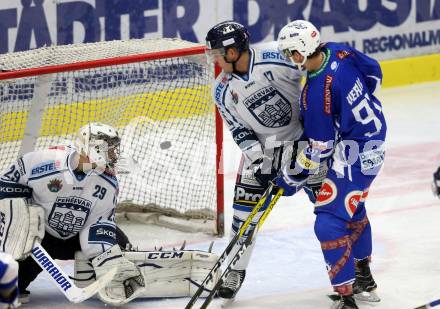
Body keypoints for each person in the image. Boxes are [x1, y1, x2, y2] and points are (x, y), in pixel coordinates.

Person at [205, 21, 325, 300]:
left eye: (217, 53)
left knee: (330, 207)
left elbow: (314, 78)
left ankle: (356, 269)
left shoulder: (278, 57)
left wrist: (317, 134)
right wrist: (259, 162)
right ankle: (235, 270)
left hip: (305, 143)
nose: (215, 59)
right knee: (243, 220)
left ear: (233, 52)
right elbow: (239, 128)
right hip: (264, 151)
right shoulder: (221, 89)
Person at [275, 20, 387, 309]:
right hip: (375, 140)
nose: (290, 59)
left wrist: (291, 179)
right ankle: (363, 277)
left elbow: (320, 149)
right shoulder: (339, 51)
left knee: (329, 221)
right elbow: (374, 71)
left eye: (291, 53)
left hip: (355, 156)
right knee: (352, 208)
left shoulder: (315, 92)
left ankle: (347, 298)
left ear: (301, 51)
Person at [0, 122, 144, 306]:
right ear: (93, 148)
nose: (114, 154)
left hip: (76, 237)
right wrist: (18, 218)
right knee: (10, 285)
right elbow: (7, 183)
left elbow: (98, 222)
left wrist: (107, 259)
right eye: (110, 149)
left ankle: (99, 274)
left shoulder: (108, 183)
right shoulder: (44, 162)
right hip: (37, 238)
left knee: (120, 247)